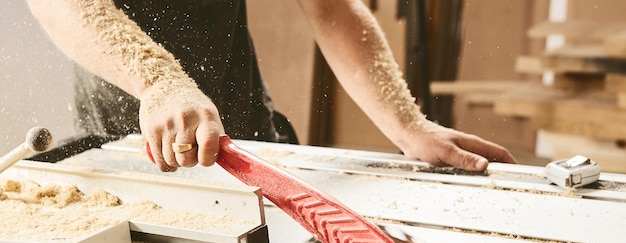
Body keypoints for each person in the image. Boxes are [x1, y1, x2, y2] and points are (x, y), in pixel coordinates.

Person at [27, 0, 516, 173]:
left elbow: (330, 7)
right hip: (128, 144)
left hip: (246, 133)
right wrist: (158, 81)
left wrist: (408, 125)